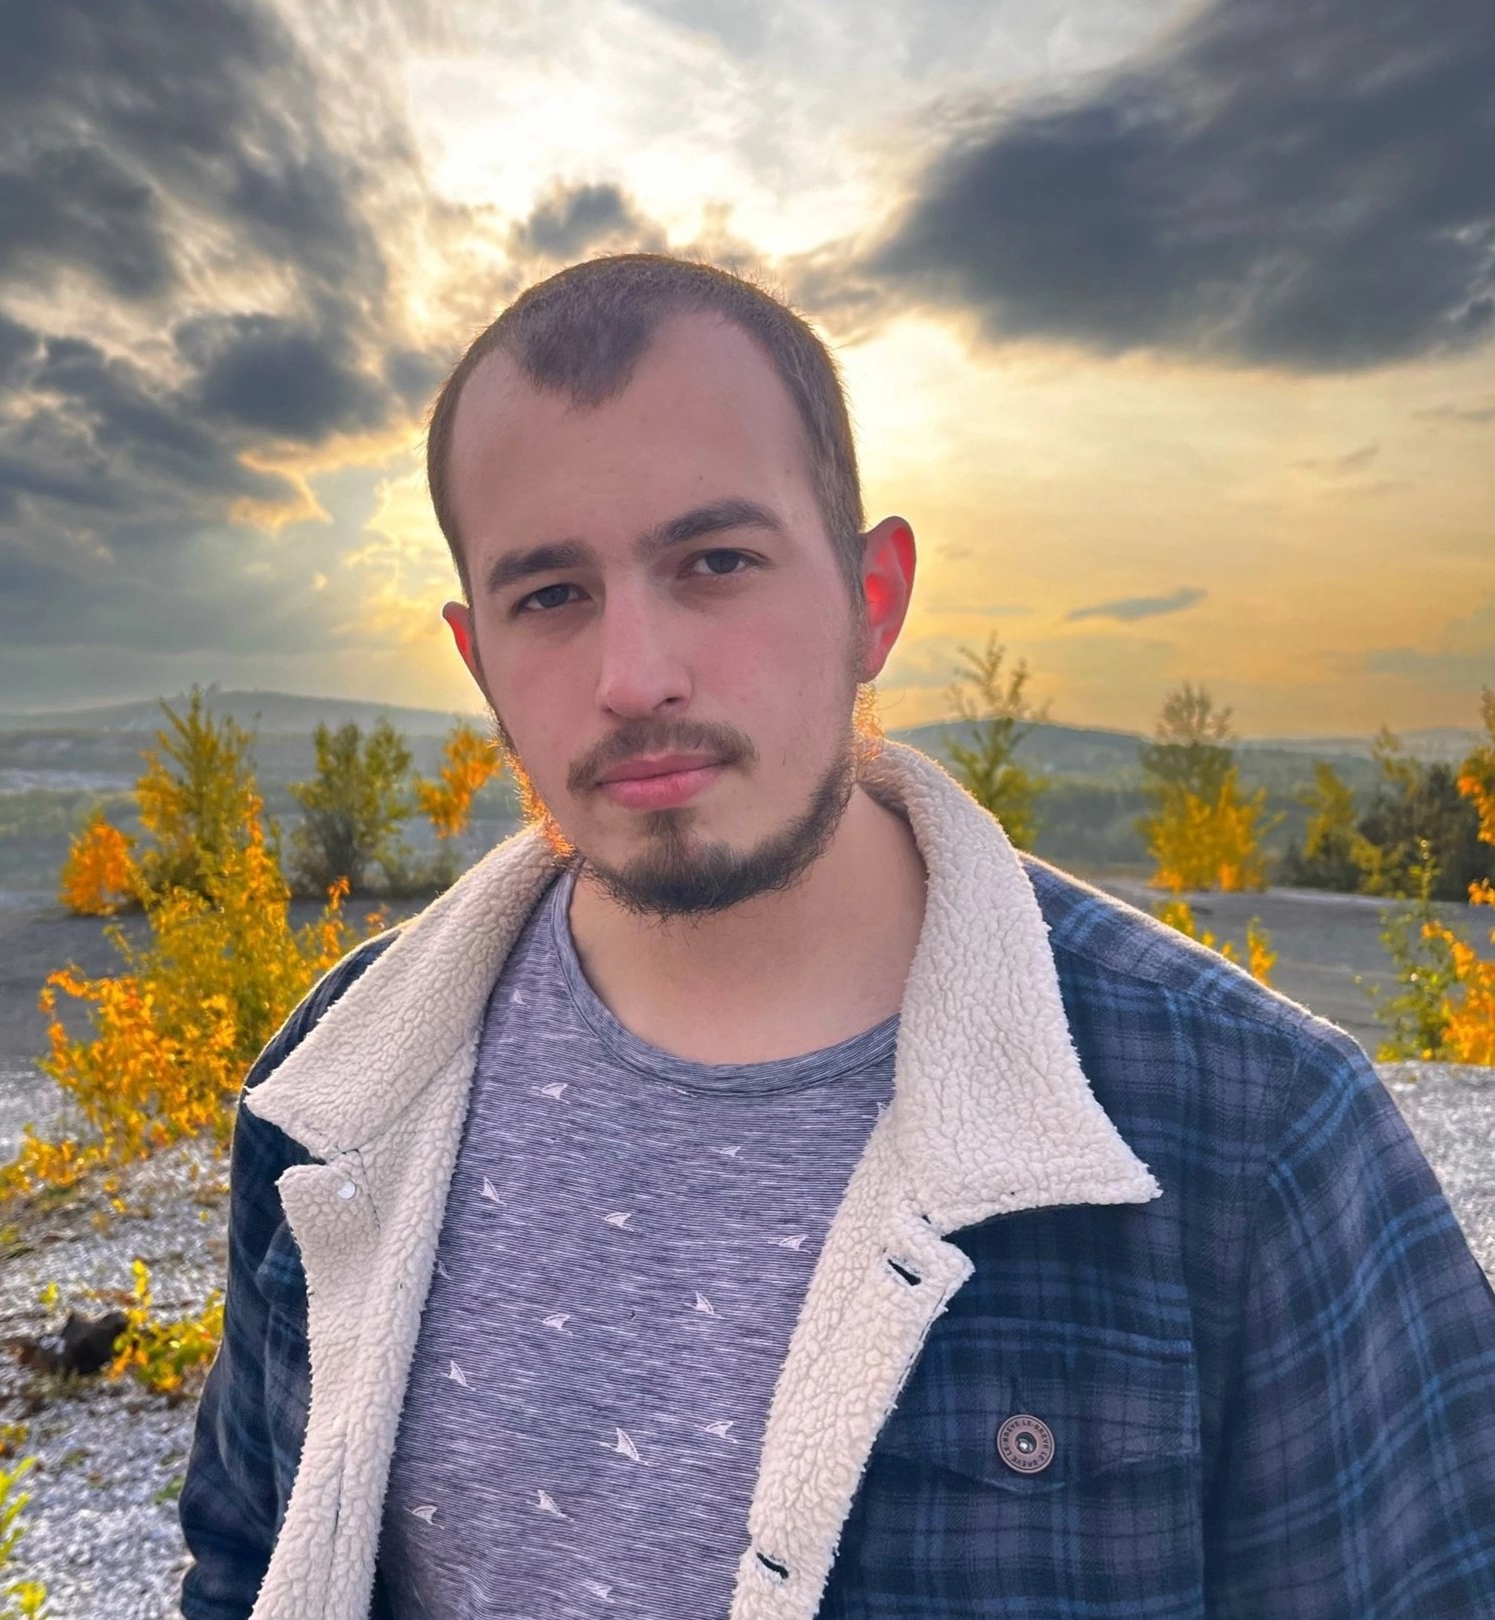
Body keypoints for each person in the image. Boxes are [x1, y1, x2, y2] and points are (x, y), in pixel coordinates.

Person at [178, 254, 1495, 1620]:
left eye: (717, 562)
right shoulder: (342, 1087)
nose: (635, 677)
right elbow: (247, 1560)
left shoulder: (1254, 1131)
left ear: (873, 600)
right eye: (551, 595)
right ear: (478, 660)